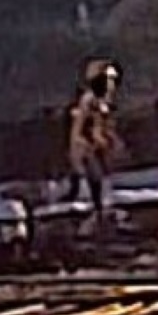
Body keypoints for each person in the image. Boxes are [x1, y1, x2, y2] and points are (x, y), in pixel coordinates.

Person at [65, 59, 120, 215]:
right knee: (96, 183)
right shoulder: (90, 102)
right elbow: (86, 130)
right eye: (108, 79)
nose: (112, 84)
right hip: (87, 154)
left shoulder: (100, 102)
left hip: (94, 153)